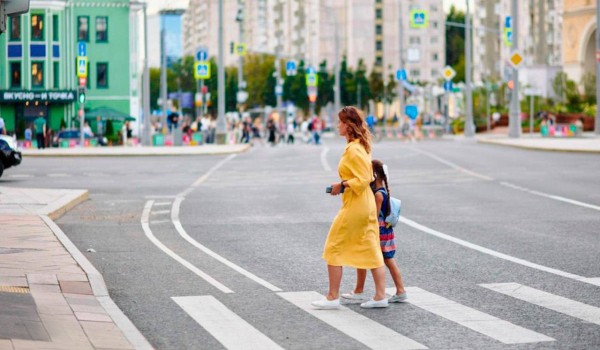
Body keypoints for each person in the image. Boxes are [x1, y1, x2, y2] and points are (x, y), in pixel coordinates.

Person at [312, 106, 388, 310]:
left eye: (340, 122)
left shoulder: (354, 149)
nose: (338, 125)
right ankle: (381, 296)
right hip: (364, 203)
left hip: (357, 204)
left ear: (348, 125)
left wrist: (342, 185)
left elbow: (364, 178)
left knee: (333, 247)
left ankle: (332, 297)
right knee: (370, 247)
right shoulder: (358, 146)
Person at [342, 159, 407, 304]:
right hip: (385, 231)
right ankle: (399, 290)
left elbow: (374, 216)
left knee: (387, 260)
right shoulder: (382, 191)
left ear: (375, 176)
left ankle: (400, 290)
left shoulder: (378, 195)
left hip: (379, 231)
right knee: (387, 259)